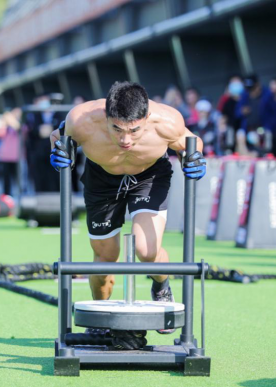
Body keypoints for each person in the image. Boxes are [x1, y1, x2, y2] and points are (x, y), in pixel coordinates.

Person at [49, 81, 206, 334]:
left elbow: (192, 141)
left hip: (149, 176)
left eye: (134, 130)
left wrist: (196, 157)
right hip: (101, 179)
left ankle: (162, 285)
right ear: (105, 115)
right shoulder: (82, 119)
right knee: (105, 258)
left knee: (146, 249)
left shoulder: (167, 121)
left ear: (147, 117)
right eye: (117, 129)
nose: (125, 139)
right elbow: (57, 137)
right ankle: (100, 319)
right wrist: (56, 151)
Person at [0, 109, 21, 196]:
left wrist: (11, 121)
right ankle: (6, 197)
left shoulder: (21, 125)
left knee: (18, 180)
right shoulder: (5, 127)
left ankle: (19, 197)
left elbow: (19, 129)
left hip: (17, 158)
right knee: (5, 180)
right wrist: (4, 122)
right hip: (4, 157)